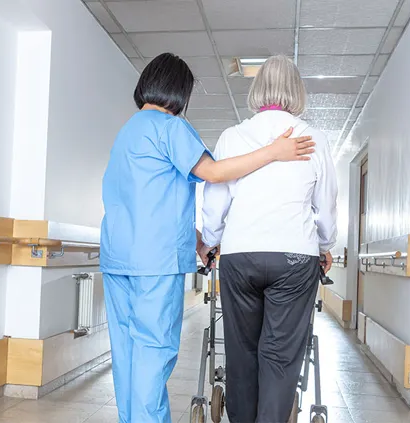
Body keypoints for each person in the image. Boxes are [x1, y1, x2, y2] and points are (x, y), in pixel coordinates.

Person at [100, 52, 316, 423]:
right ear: (179, 92)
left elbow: (147, 202)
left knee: (127, 355)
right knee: (153, 353)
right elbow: (214, 173)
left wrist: (200, 240)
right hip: (155, 264)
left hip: (117, 258)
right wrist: (274, 152)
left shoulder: (128, 132)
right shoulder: (169, 127)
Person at [200, 55, 338, 423]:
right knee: (279, 357)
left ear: (258, 89)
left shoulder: (232, 136)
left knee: (242, 352)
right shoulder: (315, 138)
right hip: (295, 257)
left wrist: (211, 240)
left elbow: (215, 199)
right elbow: (325, 205)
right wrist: (325, 245)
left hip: (240, 255)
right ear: (298, 91)